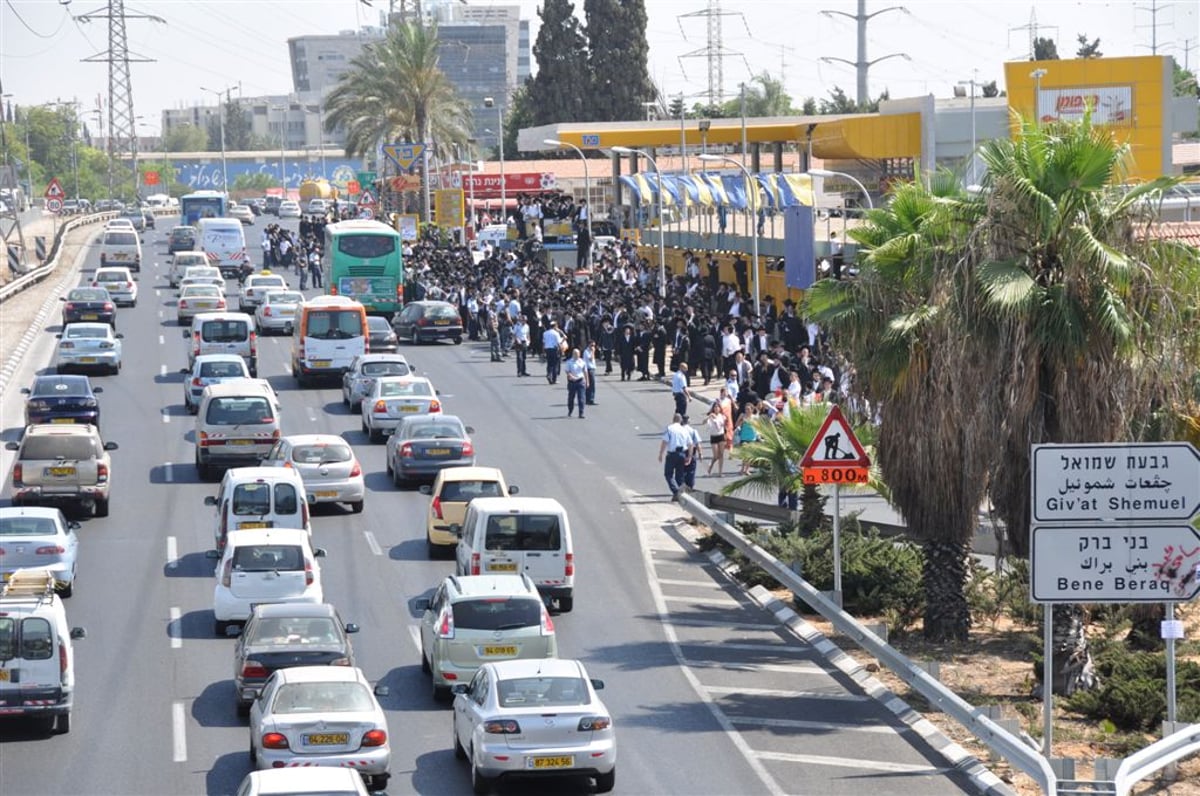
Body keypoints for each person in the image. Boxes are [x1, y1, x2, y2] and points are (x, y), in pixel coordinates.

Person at [657, 413, 692, 500]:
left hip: (672, 454)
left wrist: (661, 454)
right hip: (682, 454)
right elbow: (691, 444)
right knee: (679, 476)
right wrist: (689, 456)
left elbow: (664, 442)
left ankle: (676, 492)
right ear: (680, 420)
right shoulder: (684, 430)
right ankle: (680, 495)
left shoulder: (669, 428)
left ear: (673, 420)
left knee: (668, 474)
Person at [563, 348, 588, 418]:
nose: (576, 355)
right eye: (575, 354)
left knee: (581, 398)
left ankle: (581, 413)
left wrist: (587, 381)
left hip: (580, 381)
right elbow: (567, 371)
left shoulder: (582, 362)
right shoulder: (569, 362)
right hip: (572, 382)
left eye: (578, 354)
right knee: (571, 398)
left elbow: (585, 372)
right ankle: (570, 410)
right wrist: (571, 376)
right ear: (573, 354)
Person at [704, 403, 727, 477]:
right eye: (715, 407)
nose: (716, 408)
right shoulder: (711, 416)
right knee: (716, 455)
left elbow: (722, 424)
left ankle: (720, 472)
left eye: (718, 407)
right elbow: (703, 422)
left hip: (721, 436)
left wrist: (716, 419)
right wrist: (709, 416)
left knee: (721, 454)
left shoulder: (722, 416)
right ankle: (711, 466)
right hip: (713, 436)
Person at [543, 320, 564, 384]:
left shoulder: (545, 333)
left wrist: (543, 351)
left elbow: (543, 343)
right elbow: (559, 343)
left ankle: (549, 374)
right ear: (555, 326)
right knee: (555, 364)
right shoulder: (556, 333)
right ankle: (554, 379)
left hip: (547, 349)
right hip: (554, 349)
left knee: (549, 363)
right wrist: (562, 351)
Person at [583, 341, 598, 405]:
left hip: (592, 369)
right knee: (591, 385)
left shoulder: (590, 351)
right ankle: (590, 399)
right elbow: (591, 359)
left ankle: (589, 399)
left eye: (594, 345)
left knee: (591, 385)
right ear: (589, 345)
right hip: (589, 369)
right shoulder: (586, 352)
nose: (593, 347)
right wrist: (593, 351)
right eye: (592, 345)